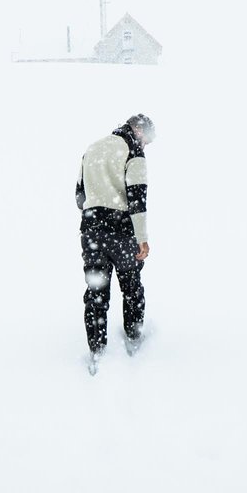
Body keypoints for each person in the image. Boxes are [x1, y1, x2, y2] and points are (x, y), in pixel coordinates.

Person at [75, 114, 156, 369]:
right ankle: (133, 344)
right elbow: (137, 199)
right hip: (122, 231)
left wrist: (96, 216)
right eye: (148, 141)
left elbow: (79, 196)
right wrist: (142, 239)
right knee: (131, 288)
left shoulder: (93, 148)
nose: (146, 147)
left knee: (96, 293)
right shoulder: (133, 151)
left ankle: (97, 353)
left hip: (91, 231)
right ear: (140, 132)